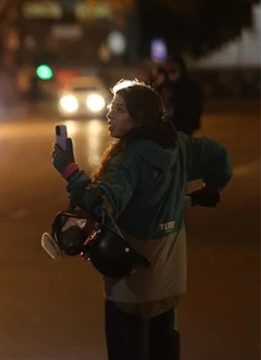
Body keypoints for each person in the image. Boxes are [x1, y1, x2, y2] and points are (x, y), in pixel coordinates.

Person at [51, 80, 232, 359]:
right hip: (170, 280)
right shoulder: (179, 146)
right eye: (111, 107)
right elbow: (218, 157)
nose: (110, 114)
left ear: (139, 116)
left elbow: (100, 205)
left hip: (131, 284)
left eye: (119, 109)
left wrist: (69, 168)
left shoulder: (127, 161)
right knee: (164, 347)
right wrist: (212, 188)